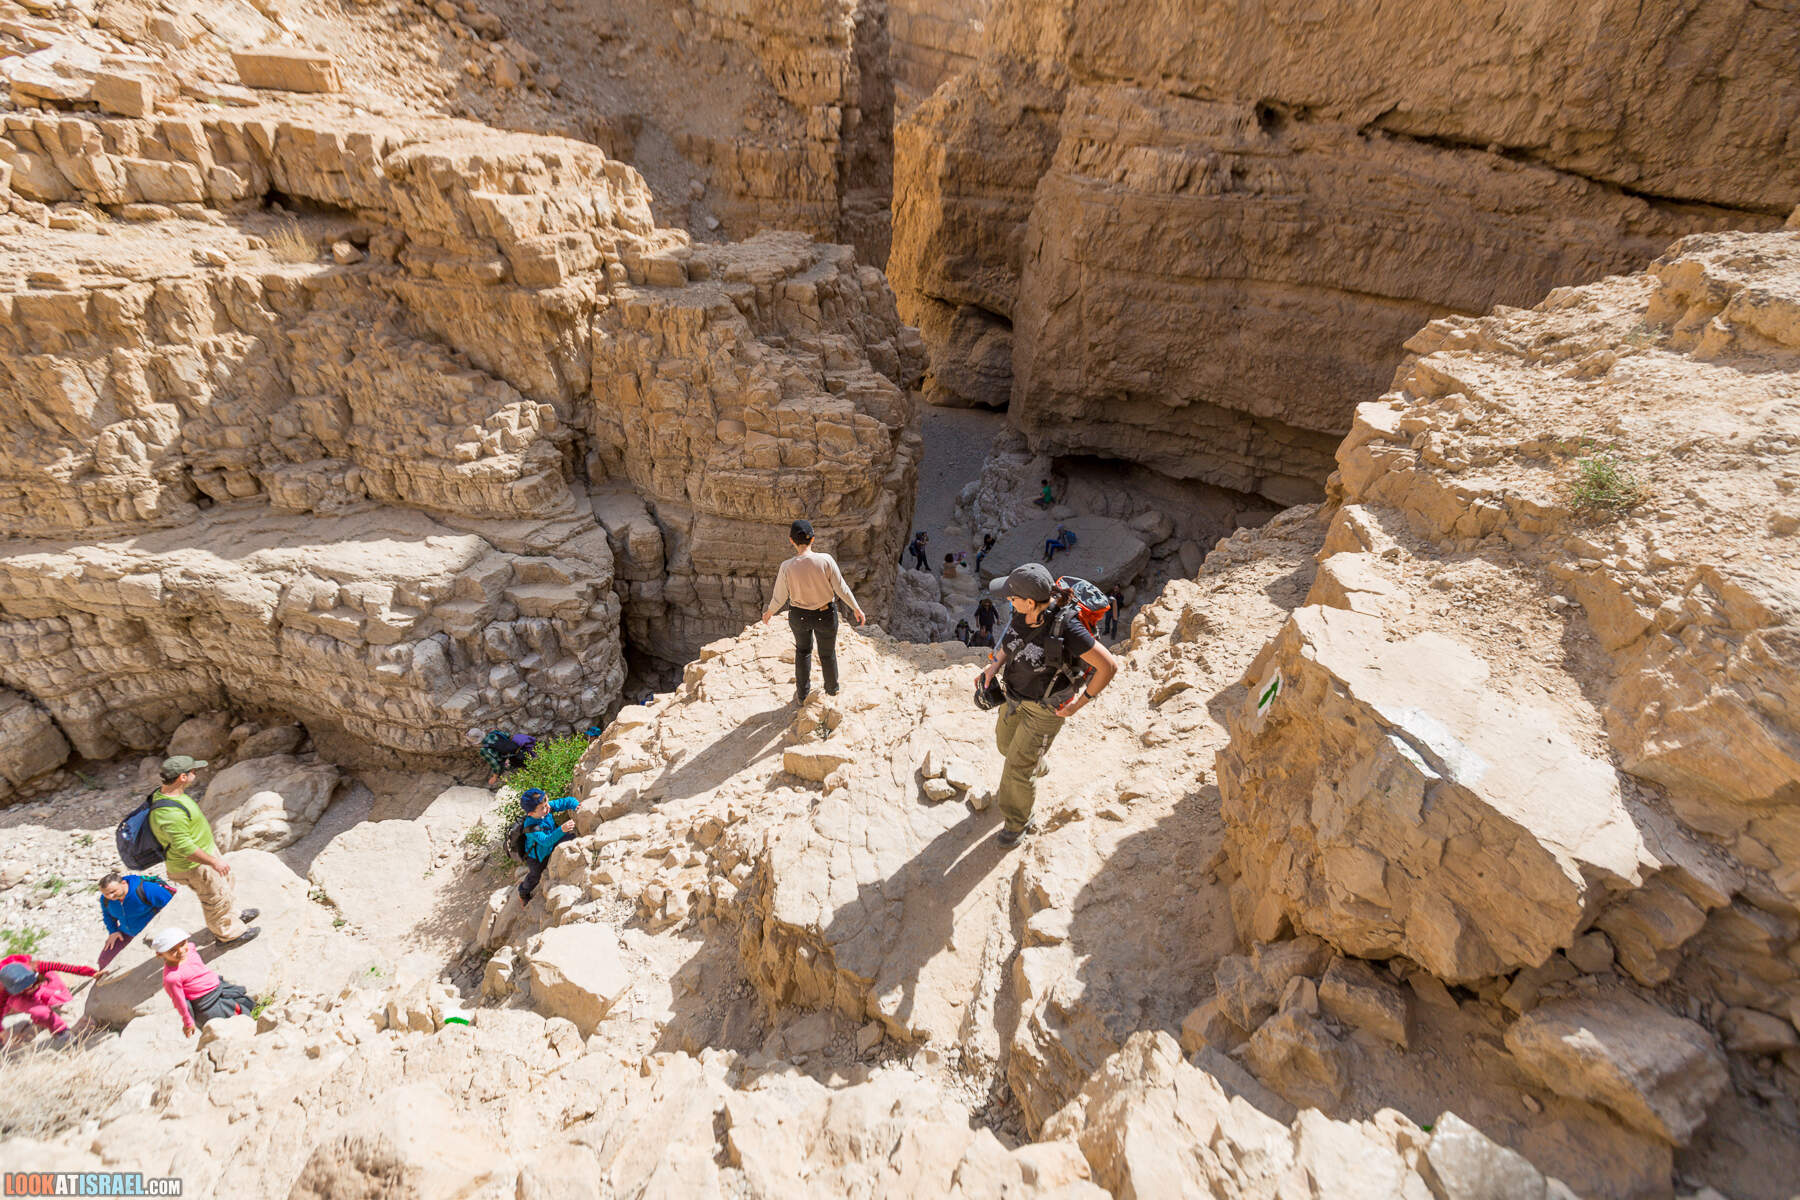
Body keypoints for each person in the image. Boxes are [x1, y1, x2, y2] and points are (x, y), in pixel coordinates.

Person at [976, 565, 1118, 847]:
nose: (1008, 601)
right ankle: (1035, 763)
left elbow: (1108, 666)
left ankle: (1018, 823)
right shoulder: (1022, 613)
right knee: (1005, 745)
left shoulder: (1069, 628)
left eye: (1012, 597)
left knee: (1017, 769)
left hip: (1045, 709)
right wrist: (994, 667)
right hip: (1014, 697)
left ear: (1030, 602)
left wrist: (1079, 703)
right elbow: (1012, 641)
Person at [148, 757, 260, 947]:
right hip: (194, 864)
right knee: (214, 898)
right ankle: (228, 934)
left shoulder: (169, 794)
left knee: (225, 884)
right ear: (182, 777)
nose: (195, 773)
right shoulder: (169, 813)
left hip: (204, 854)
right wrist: (213, 862)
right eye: (192, 771)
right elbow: (184, 848)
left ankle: (232, 915)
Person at [762, 519, 866, 703]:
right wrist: (856, 608)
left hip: (798, 615)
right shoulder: (825, 560)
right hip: (825, 614)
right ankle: (832, 691)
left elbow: (780, 596)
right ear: (813, 539)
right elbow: (841, 588)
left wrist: (769, 613)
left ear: (791, 541)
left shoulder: (786, 566)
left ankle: (802, 695)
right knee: (827, 654)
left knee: (802, 652)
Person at [150, 928, 256, 1037]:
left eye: (182, 944)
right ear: (159, 954)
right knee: (225, 1025)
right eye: (172, 950)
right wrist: (188, 1022)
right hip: (206, 1003)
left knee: (240, 1006)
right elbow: (180, 1002)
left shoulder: (190, 949)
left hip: (219, 986)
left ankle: (253, 1025)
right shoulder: (172, 978)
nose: (181, 951)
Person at [1, 955, 96, 1046]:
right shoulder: (4, 989)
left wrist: (92, 973)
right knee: (42, 1013)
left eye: (29, 984)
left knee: (52, 993)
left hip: (40, 983)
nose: (28, 987)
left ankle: (50, 1006)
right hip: (18, 998)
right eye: (22, 988)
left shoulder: (36, 967)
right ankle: (61, 1033)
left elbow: (65, 967)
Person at [97, 870, 175, 970]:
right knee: (104, 960)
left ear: (123, 883)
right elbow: (107, 915)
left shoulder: (147, 889)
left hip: (152, 928)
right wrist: (113, 931)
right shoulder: (105, 899)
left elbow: (172, 905)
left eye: (113, 892)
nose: (110, 897)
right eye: (106, 894)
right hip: (127, 931)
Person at [516, 788, 579, 902]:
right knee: (535, 876)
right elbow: (546, 841)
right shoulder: (531, 826)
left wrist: (575, 804)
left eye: (546, 804)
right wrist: (562, 829)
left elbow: (564, 802)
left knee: (572, 838)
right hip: (537, 857)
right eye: (543, 808)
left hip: (551, 842)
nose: (547, 808)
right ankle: (523, 891)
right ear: (531, 813)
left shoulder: (545, 809)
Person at [471, 729, 535, 786]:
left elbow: (496, 766)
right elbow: (508, 735)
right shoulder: (494, 733)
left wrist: (494, 777)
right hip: (519, 750)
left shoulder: (484, 750)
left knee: (505, 769)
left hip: (511, 760)